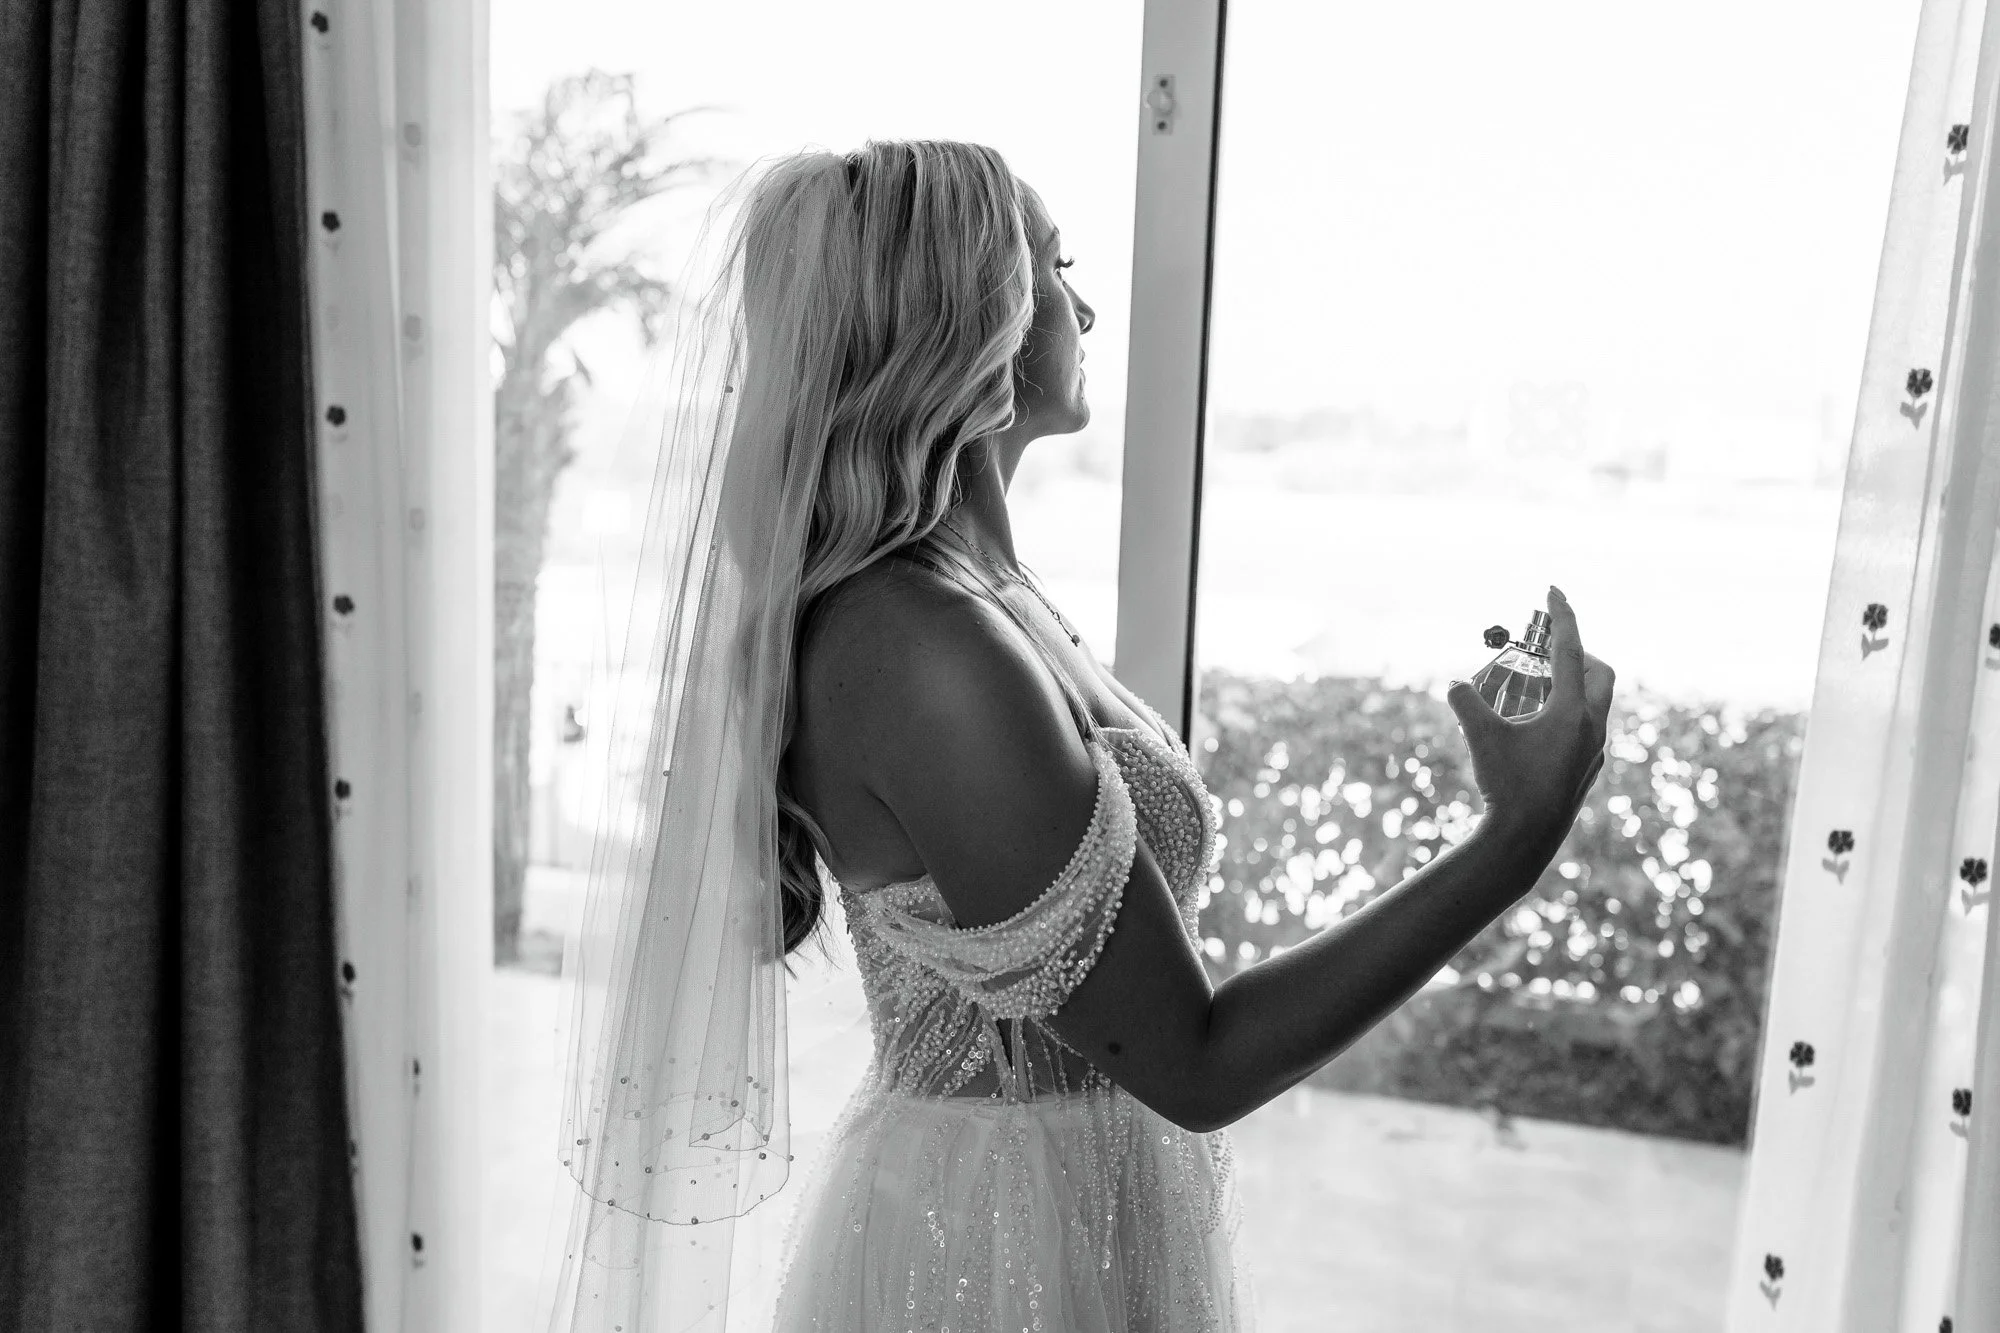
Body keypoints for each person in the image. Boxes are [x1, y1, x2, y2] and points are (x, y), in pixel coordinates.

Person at [548, 138, 1614, 1333]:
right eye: (1056, 267)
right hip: (999, 1250)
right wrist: (1512, 837)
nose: (1086, 306)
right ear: (972, 319)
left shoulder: (978, 591)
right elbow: (1194, 1061)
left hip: (1060, 1202)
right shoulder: (919, 644)